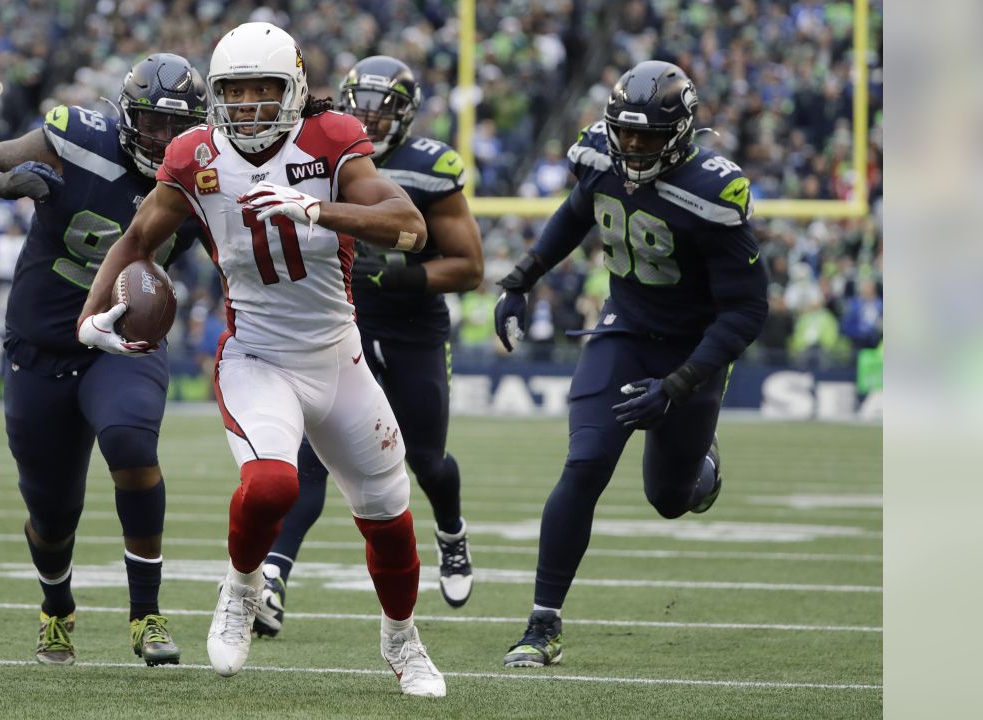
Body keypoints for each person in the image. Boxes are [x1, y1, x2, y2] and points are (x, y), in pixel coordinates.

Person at [78, 23, 446, 698]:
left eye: (262, 89)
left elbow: (410, 227)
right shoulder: (195, 154)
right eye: (234, 91)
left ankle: (401, 640)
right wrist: (90, 316)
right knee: (272, 485)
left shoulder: (331, 138)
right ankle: (242, 586)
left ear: (294, 90)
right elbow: (136, 240)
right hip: (257, 356)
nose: (247, 105)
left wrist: (317, 208)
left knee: (390, 518)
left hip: (338, 358)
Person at [493, 61, 768, 668]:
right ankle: (543, 623)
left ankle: (703, 460)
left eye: (648, 135)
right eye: (626, 132)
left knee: (670, 498)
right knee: (586, 462)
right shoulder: (598, 155)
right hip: (624, 331)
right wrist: (521, 279)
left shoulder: (712, 191)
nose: (634, 145)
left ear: (681, 132)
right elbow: (575, 212)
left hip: (691, 350)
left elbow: (748, 311)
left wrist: (680, 384)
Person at [0, 53, 207, 667]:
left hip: (123, 340)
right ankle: (56, 606)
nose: (164, 139)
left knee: (131, 443)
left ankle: (146, 614)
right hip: (43, 347)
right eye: (152, 123)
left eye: (177, 127)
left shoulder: (205, 174)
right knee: (51, 511)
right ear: (124, 116)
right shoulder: (77, 140)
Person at [251, 56, 484, 641]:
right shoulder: (322, 151)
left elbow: (470, 266)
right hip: (338, 324)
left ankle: (451, 534)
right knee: (308, 464)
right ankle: (275, 577)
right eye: (363, 106)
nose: (372, 119)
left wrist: (409, 279)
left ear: (408, 114)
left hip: (411, 328)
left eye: (386, 109)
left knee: (425, 457)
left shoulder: (429, 168)